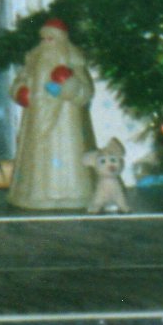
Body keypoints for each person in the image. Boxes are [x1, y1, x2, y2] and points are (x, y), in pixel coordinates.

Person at [8, 17, 96, 210]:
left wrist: (69, 86)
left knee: (68, 156)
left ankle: (71, 193)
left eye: (52, 38)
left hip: (66, 124)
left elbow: (85, 92)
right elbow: (19, 81)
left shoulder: (73, 62)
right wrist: (20, 91)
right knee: (36, 159)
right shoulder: (33, 61)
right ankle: (33, 193)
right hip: (35, 123)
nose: (47, 42)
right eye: (44, 38)